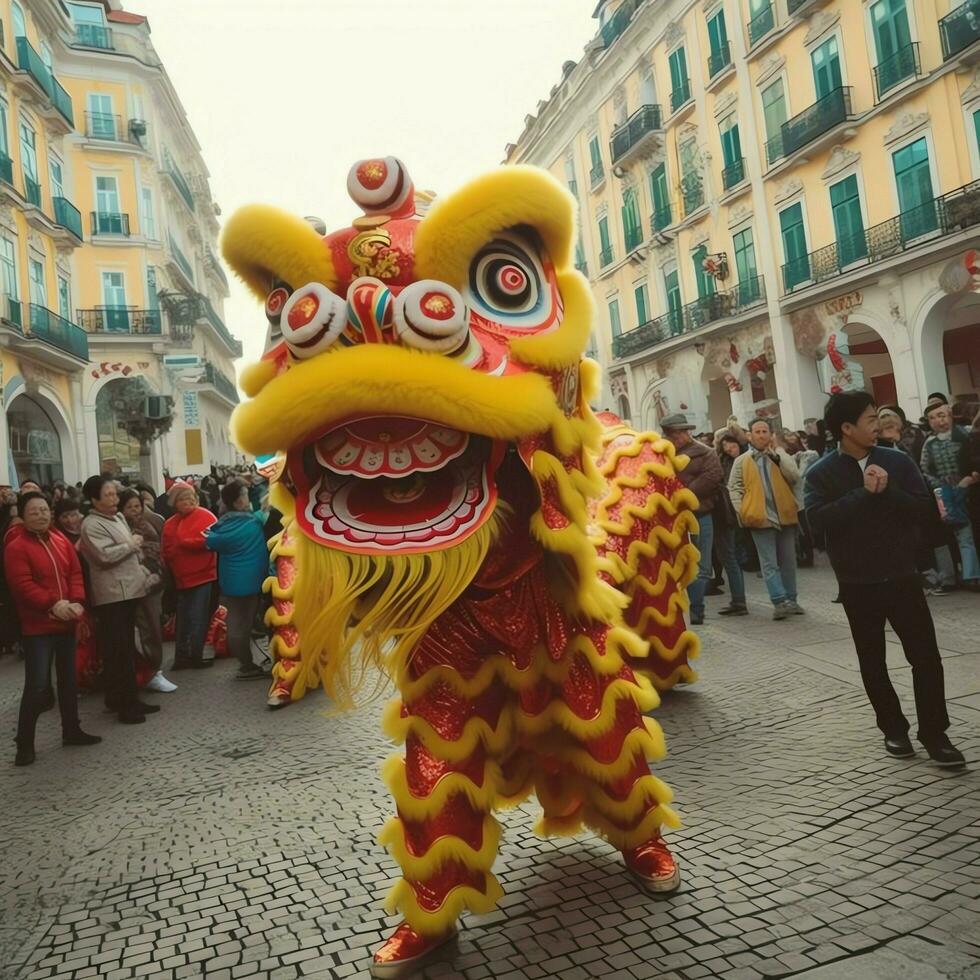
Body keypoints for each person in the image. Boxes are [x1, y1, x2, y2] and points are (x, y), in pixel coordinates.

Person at [805, 392, 965, 767]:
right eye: (869, 418)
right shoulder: (821, 473)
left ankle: (935, 734)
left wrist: (888, 491)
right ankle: (893, 729)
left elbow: (926, 511)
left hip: (902, 576)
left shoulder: (897, 460)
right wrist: (863, 494)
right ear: (846, 428)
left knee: (926, 657)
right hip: (858, 583)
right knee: (872, 661)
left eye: (878, 417)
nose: (878, 424)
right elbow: (816, 522)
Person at [5, 492, 100, 766]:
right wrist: (53, 604)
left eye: (45, 510)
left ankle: (72, 730)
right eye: (34, 511)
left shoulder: (60, 540)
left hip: (66, 620)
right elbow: (22, 586)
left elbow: (75, 574)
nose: (42, 515)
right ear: (22, 516)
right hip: (38, 626)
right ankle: (24, 742)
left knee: (68, 679)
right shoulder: (17, 546)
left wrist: (77, 602)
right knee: (37, 685)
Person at [79, 476, 160, 724]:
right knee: (118, 651)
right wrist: (131, 545)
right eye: (109, 495)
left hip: (130, 590)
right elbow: (104, 555)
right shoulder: (91, 524)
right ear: (94, 499)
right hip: (112, 595)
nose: (115, 499)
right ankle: (124, 704)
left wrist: (142, 570)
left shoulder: (117, 517)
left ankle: (124, 698)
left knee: (126, 649)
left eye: (115, 494)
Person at [728, 418, 803, 620]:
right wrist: (742, 510)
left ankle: (792, 599)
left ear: (771, 434)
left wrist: (779, 452)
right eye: (757, 432)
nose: (761, 435)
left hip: (785, 514)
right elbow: (734, 487)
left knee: (788, 560)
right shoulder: (742, 461)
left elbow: (795, 476)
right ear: (750, 435)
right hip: (759, 517)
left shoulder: (779, 456)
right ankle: (779, 601)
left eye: (765, 431)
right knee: (769, 562)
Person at [661, 413, 724, 626]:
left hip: (700, 514)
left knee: (701, 564)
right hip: (670, 518)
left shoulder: (705, 453)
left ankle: (697, 609)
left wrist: (682, 494)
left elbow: (712, 477)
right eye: (676, 432)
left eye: (683, 431)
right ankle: (678, 607)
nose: (681, 436)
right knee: (674, 564)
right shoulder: (660, 454)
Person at [206, 479, 269, 680]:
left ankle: (244, 663)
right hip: (252, 582)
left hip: (230, 582)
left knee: (235, 622)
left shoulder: (221, 526)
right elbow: (266, 513)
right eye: (243, 495)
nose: (247, 498)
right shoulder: (253, 523)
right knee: (246, 624)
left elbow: (210, 541)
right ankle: (248, 665)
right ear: (237, 502)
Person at [119, 489, 177, 694]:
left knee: (152, 626)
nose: (135, 510)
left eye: (137, 506)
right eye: (130, 507)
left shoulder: (148, 522)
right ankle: (149, 671)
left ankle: (152, 670)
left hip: (154, 584)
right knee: (144, 629)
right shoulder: (121, 528)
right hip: (135, 585)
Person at [919, 398, 980, 592]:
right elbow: (925, 468)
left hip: (971, 488)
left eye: (942, 415)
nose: (939, 421)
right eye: (933, 418)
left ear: (951, 416)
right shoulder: (929, 444)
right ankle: (963, 575)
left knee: (971, 533)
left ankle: (972, 574)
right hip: (945, 494)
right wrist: (938, 485)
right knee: (956, 533)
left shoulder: (967, 434)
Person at [162, 481, 218, 669]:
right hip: (181, 577)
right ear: (174, 502)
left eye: (190, 497)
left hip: (203, 575)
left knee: (198, 616)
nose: (188, 501)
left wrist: (186, 543)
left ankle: (195, 654)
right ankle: (182, 656)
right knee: (184, 618)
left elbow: (210, 539)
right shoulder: (170, 524)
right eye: (182, 499)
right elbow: (167, 549)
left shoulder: (205, 515)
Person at [714, 434, 747, 616]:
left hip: (727, 514)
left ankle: (739, 601)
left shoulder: (740, 460)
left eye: (731, 446)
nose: (729, 450)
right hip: (728, 512)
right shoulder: (722, 461)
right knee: (729, 557)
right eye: (725, 447)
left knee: (730, 557)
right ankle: (738, 600)